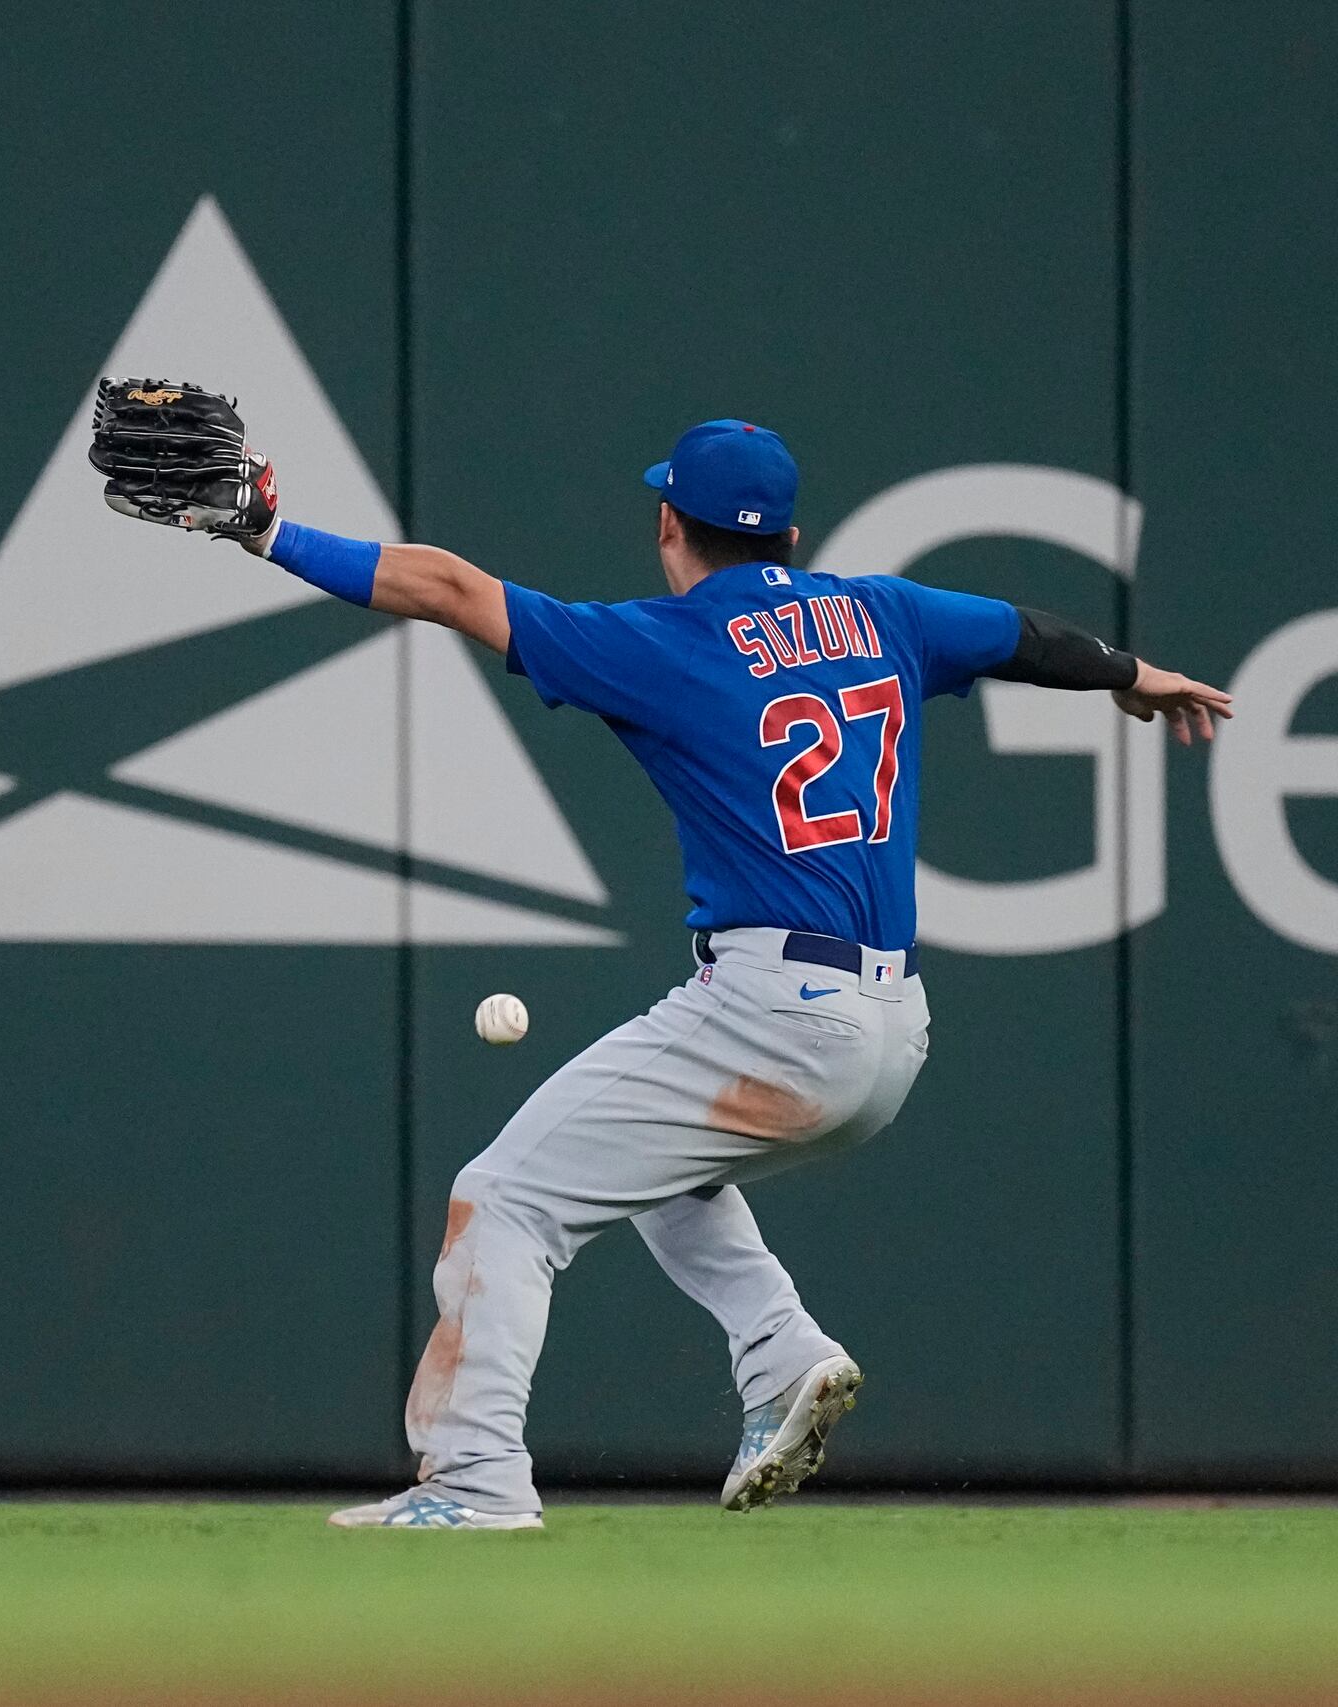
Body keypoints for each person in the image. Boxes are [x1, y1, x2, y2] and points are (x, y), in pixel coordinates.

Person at [105, 407, 1231, 1530]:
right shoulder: (882, 613)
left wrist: (265, 528)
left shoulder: (660, 645)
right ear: (789, 539)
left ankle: (472, 1479)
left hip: (775, 1012)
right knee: (658, 1176)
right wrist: (1132, 672)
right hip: (891, 1029)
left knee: (503, 1201)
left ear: (667, 528)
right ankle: (781, 1355)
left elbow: (446, 589)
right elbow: (1023, 632)